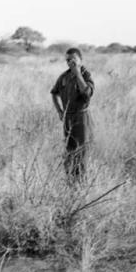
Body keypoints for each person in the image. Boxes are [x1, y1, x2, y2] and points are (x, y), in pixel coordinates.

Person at [50, 48, 94, 184]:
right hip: (67, 119)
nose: (70, 63)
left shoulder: (86, 75)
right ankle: (70, 185)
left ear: (80, 60)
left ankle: (82, 186)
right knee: (69, 153)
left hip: (82, 118)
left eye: (73, 60)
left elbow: (87, 93)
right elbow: (54, 93)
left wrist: (78, 73)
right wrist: (59, 111)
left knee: (81, 154)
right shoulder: (64, 76)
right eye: (68, 60)